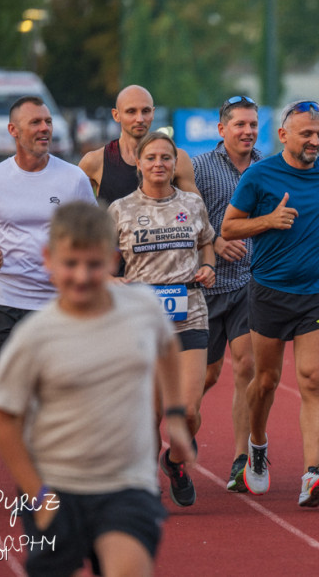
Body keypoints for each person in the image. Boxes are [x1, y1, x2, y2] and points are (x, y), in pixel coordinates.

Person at [0, 202, 191, 576]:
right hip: (57, 486)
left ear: (113, 261)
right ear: (49, 259)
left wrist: (175, 413)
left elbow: (167, 346)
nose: (81, 276)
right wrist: (38, 494)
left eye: (94, 265)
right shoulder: (35, 336)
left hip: (127, 483)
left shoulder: (142, 308)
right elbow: (1, 415)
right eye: (70, 264)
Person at [222, 100, 319, 507]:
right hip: (269, 292)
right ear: (283, 136)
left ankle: (313, 473)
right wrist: (268, 222)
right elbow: (229, 227)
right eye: (306, 134)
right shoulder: (259, 176)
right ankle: (257, 446)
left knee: (312, 380)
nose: (314, 141)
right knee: (266, 382)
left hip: (316, 293)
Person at [107, 132, 215, 507]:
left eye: (165, 158)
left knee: (188, 411)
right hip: (142, 319)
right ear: (138, 162)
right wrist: (111, 278)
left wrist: (207, 266)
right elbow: (101, 260)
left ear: (175, 163)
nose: (158, 164)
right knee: (152, 412)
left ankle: (173, 462)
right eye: (151, 157)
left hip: (190, 312)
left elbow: (207, 242)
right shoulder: (120, 209)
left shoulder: (192, 203)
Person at [0, 96, 95, 353]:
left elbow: (94, 237)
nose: (45, 128)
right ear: (13, 130)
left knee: (58, 388)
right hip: (8, 303)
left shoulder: (74, 178)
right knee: (19, 390)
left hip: (60, 304)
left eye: (48, 122)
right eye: (35, 122)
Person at [191, 95, 262, 493]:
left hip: (250, 283)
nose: (248, 131)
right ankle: (182, 426)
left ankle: (241, 458)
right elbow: (182, 214)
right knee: (206, 375)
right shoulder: (199, 168)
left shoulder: (267, 166)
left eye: (253, 124)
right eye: (240, 125)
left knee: (247, 365)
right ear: (222, 129)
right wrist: (215, 242)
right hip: (206, 285)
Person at [79, 84, 199, 203]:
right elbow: (73, 213)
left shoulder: (177, 159)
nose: (140, 119)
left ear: (153, 113)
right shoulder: (95, 161)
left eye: (145, 111)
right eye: (131, 111)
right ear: (116, 115)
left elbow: (197, 212)